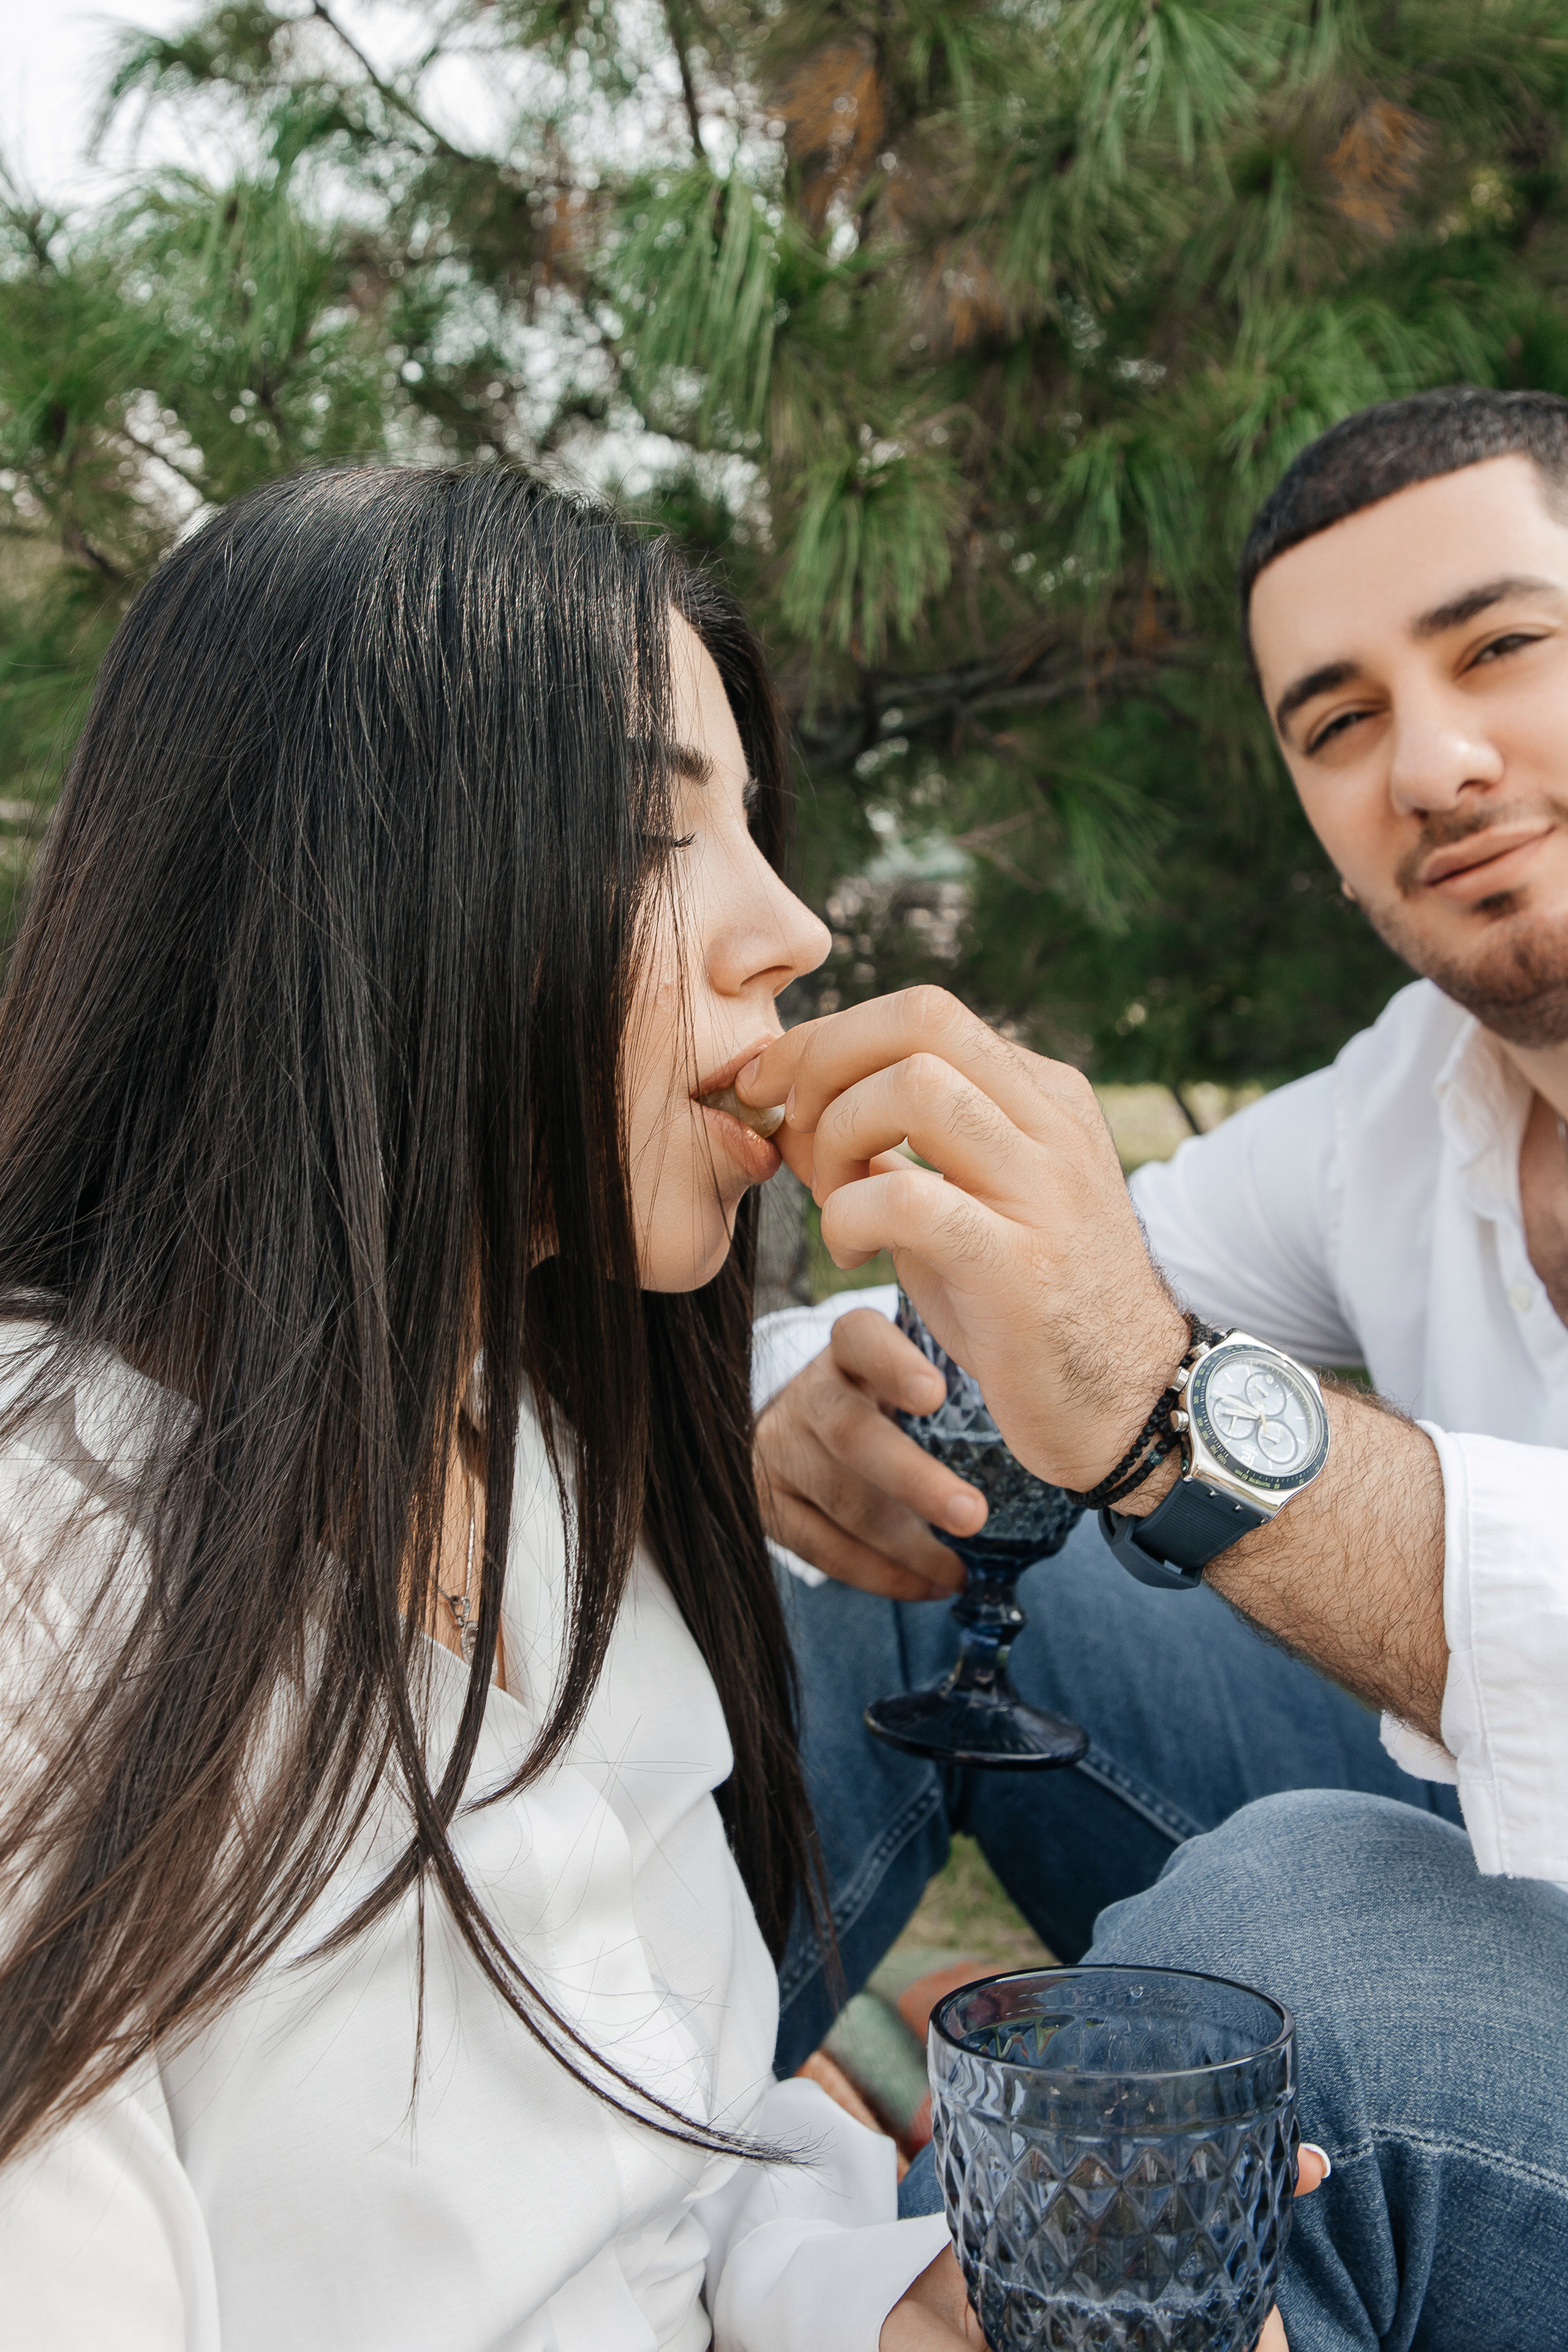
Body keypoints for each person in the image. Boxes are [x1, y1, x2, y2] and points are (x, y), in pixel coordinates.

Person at [0, 464, 1032, 2349]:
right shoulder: (43, 1574)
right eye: (656, 834)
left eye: (758, 836)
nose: (792, 929)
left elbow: (688, 2201)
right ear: (345, 891)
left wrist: (903, 2318)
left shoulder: (548, 1469)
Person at [748, 385, 1568, 2350]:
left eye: (1505, 648)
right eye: (1341, 721)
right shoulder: (1408, 1105)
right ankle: (571, 2186)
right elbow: (1014, 1319)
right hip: (1491, 1867)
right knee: (907, 1535)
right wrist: (803, 1389)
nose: (1435, 766)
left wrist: (1174, 1412)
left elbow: (1134, 1367)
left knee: (1289, 1957)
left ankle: (907, 2302)